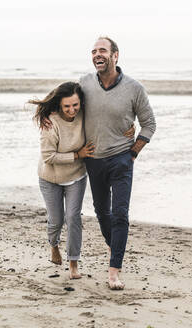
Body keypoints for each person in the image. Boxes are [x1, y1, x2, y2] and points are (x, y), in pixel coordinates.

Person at [30, 82, 134, 280]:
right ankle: (53, 245)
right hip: (50, 177)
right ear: (60, 105)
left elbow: (107, 121)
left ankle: (73, 263)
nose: (72, 110)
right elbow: (48, 157)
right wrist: (77, 154)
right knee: (56, 220)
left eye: (75, 105)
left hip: (76, 176)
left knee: (73, 218)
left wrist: (129, 126)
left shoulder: (85, 116)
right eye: (67, 106)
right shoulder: (50, 123)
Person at [81, 36, 156, 290]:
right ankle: (117, 249)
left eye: (102, 50)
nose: (96, 54)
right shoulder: (84, 84)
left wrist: (133, 152)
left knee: (120, 214)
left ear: (116, 55)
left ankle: (114, 271)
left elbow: (149, 123)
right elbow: (67, 110)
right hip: (94, 160)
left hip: (121, 160)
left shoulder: (135, 89)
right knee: (103, 213)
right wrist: (48, 118)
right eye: (93, 51)